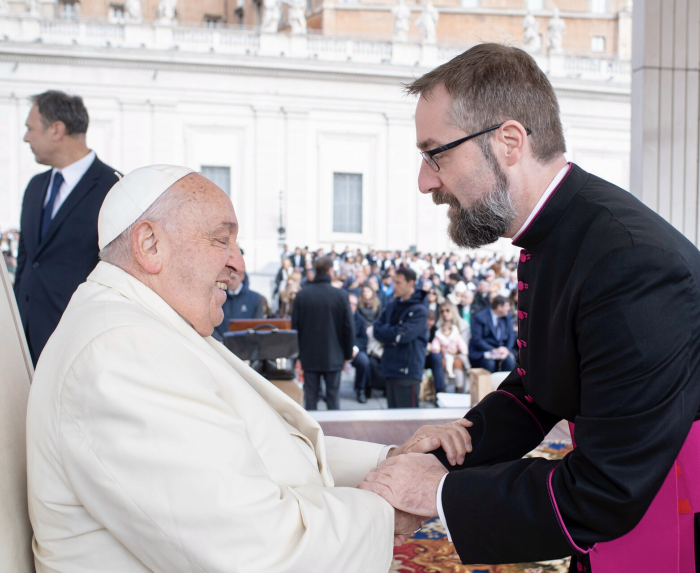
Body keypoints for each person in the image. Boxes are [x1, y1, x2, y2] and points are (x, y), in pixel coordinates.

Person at [359, 43, 700, 572]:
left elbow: (607, 488)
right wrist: (451, 450)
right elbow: (540, 386)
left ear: (509, 141)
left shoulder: (634, 265)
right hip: (623, 514)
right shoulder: (559, 231)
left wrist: (440, 494)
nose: (426, 180)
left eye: (437, 153)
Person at [26, 165, 430, 572]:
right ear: (149, 244)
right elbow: (256, 553)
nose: (238, 264)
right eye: (222, 240)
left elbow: (270, 446)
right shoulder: (119, 351)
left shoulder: (146, 325)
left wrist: (391, 460)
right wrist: (388, 509)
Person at [14, 90, 120, 365]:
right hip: (25, 344)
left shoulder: (114, 188)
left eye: (30, 128)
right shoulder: (35, 187)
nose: (26, 137)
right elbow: (27, 262)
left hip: (81, 346)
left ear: (56, 130)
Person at [291, 256, 354, 410]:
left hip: (309, 354)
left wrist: (298, 355)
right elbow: (348, 327)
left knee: (311, 398)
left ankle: (311, 433)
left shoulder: (302, 295)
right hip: (334, 354)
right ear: (330, 271)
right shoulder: (340, 295)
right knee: (333, 398)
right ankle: (335, 431)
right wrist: (347, 354)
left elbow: (295, 327)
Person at [373, 266, 428, 408]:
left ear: (410, 284)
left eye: (398, 283)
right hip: (390, 367)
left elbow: (403, 336)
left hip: (407, 371)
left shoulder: (419, 310)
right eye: (393, 282)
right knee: (393, 418)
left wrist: (390, 333)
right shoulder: (392, 305)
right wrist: (392, 333)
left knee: (408, 420)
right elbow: (376, 329)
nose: (394, 286)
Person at [468, 295, 516, 373]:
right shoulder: (480, 317)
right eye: (507, 306)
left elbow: (511, 336)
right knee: (490, 364)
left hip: (501, 351)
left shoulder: (506, 317)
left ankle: (507, 385)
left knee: (509, 362)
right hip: (483, 351)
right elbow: (477, 339)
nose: (509, 308)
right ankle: (489, 385)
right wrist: (493, 350)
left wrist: (506, 349)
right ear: (499, 307)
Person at [212, 270, 265, 340]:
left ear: (242, 277)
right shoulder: (217, 297)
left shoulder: (256, 298)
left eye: (233, 278)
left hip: (246, 347)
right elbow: (210, 323)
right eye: (228, 278)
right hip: (221, 345)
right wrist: (220, 341)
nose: (229, 282)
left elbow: (258, 326)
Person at [430, 322, 470, 392]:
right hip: (445, 355)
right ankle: (444, 388)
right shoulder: (439, 336)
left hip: (456, 355)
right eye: (443, 330)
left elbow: (462, 345)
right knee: (445, 363)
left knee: (461, 361)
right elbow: (435, 345)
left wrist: (461, 351)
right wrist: (437, 349)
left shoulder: (456, 336)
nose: (444, 332)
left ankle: (459, 388)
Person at [349, 292, 372, 404]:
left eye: (354, 304)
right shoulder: (337, 317)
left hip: (355, 350)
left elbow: (363, 339)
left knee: (364, 361)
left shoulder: (360, 319)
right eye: (349, 303)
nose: (351, 306)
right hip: (339, 351)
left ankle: (361, 390)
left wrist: (355, 348)